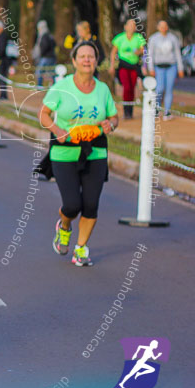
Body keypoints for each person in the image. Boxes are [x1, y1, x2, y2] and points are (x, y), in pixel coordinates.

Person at [39, 41, 119, 267]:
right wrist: (56, 130)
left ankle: (81, 248)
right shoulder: (62, 87)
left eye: (91, 57)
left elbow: (114, 117)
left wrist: (111, 125)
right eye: (82, 56)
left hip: (95, 152)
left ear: (96, 61)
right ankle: (64, 226)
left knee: (91, 204)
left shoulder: (102, 89)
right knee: (73, 205)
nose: (87, 60)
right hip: (65, 153)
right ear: (74, 61)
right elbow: (44, 113)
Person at [147, 20, 184, 121]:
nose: (163, 28)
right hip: (159, 67)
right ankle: (157, 109)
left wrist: (180, 68)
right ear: (158, 27)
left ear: (167, 27)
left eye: (165, 26)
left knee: (169, 89)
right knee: (159, 88)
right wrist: (151, 68)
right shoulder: (154, 39)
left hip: (171, 66)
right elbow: (150, 55)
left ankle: (167, 112)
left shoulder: (173, 38)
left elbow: (177, 54)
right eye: (161, 26)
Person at [109, 19, 146, 120]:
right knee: (127, 87)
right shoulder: (120, 38)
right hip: (123, 65)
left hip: (134, 65)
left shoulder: (139, 37)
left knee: (132, 87)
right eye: (130, 25)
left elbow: (143, 50)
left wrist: (138, 52)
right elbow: (113, 53)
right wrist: (111, 66)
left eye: (134, 25)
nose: (132, 27)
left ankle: (130, 110)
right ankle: (126, 111)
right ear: (125, 27)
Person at [34, 20, 57, 88]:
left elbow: (44, 46)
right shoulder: (50, 35)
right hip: (52, 57)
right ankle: (53, 86)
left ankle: (39, 86)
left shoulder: (44, 35)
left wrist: (41, 53)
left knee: (39, 72)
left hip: (46, 57)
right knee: (51, 72)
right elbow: (54, 44)